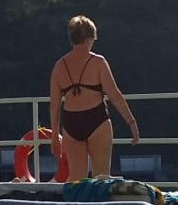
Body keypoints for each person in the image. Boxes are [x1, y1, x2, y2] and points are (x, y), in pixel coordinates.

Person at [47, 15, 139, 181]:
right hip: (96, 119)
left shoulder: (59, 66)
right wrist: (131, 122)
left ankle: (77, 199)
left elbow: (54, 105)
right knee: (101, 179)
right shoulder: (98, 62)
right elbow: (114, 95)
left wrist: (54, 137)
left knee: (77, 181)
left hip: (71, 122)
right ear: (90, 38)